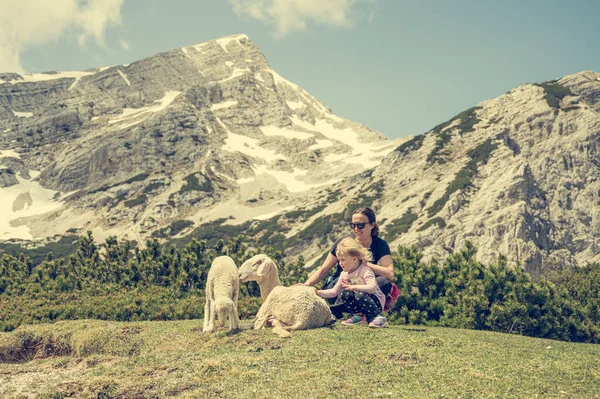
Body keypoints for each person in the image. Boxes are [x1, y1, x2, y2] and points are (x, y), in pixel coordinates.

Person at [301, 207, 394, 327]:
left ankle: (342, 312)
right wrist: (306, 286)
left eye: (361, 225)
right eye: (353, 225)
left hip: (364, 285)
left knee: (383, 282)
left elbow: (390, 273)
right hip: (341, 284)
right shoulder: (344, 244)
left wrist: (365, 264)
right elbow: (324, 269)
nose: (356, 229)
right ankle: (352, 313)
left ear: (372, 225)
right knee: (345, 290)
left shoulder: (380, 245)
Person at [316, 237, 387, 328]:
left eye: (343, 260)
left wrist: (355, 287)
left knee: (359, 294)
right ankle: (359, 315)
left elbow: (372, 288)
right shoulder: (344, 274)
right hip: (361, 300)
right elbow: (334, 292)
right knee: (345, 293)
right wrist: (318, 293)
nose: (340, 263)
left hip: (374, 300)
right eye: (339, 260)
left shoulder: (365, 270)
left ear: (354, 259)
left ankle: (378, 316)